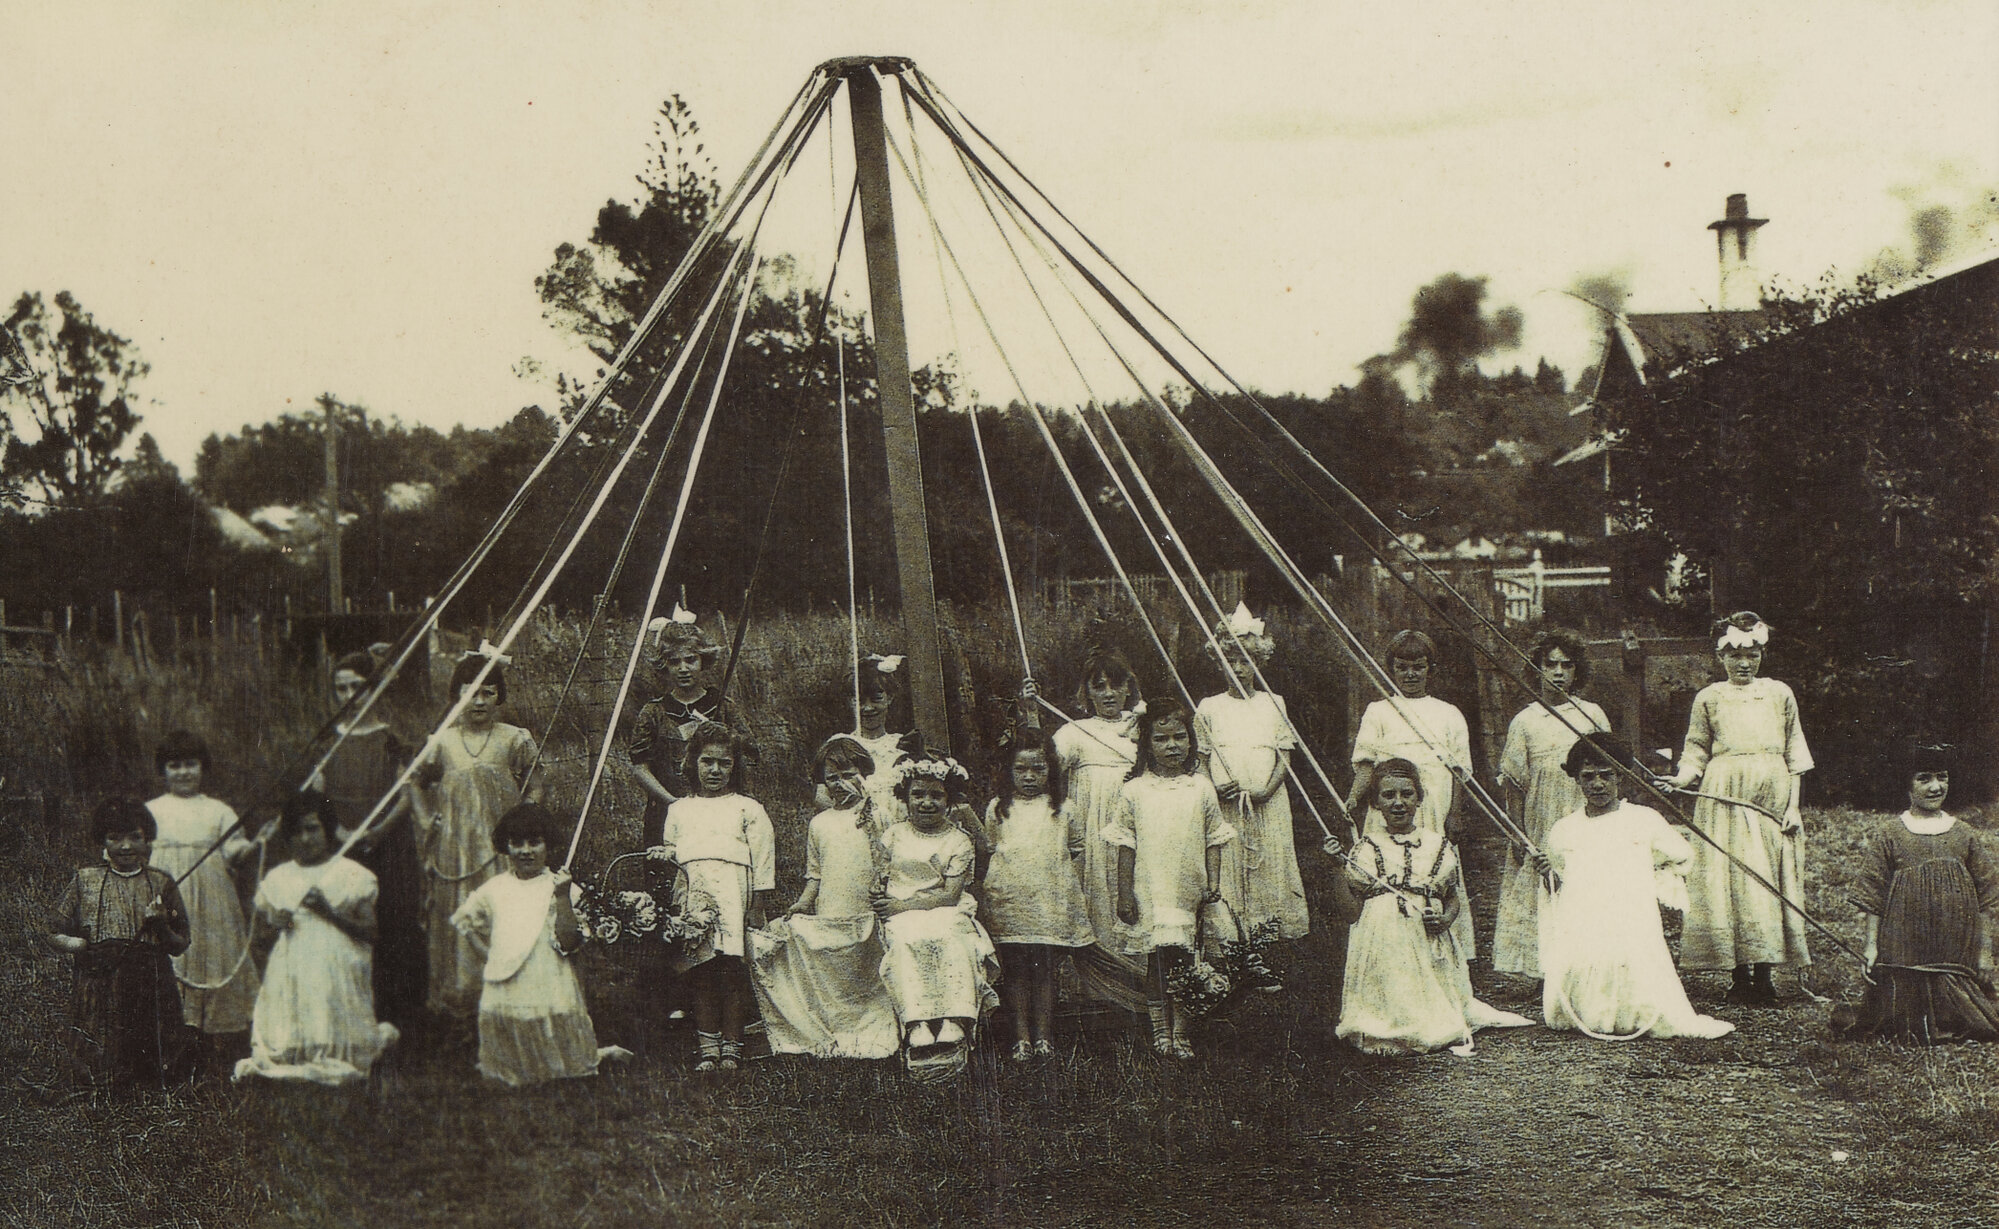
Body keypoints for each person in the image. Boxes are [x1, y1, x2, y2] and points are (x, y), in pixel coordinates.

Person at [1532, 737, 1734, 1041]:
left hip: (1630, 913)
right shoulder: (1565, 829)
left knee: (1633, 961)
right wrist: (1549, 874)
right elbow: (1560, 883)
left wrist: (1650, 881)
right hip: (1585, 917)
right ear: (1576, 780)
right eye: (1588, 777)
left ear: (1621, 776)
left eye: (1606, 775)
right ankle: (1591, 1010)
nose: (1597, 784)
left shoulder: (1643, 820)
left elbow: (1681, 856)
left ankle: (1633, 1011)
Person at [1664, 612, 1813, 1004]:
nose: (1744, 663)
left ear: (1762, 654)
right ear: (1720, 657)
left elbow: (1795, 753)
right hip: (1724, 796)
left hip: (1771, 798)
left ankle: (1765, 976)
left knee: (1765, 880)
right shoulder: (1709, 697)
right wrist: (1681, 779)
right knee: (1730, 880)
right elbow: (1696, 749)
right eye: (1734, 655)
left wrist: (1793, 807)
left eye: (1752, 654)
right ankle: (1739, 976)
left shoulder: (1779, 693)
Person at [1336, 760, 1530, 1056]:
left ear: (1419, 798)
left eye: (1407, 794)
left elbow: (1452, 898)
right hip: (1381, 941)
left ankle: (1424, 1021)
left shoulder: (1436, 845)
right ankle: (1385, 1024)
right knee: (1389, 990)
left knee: (1429, 1003)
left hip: (1425, 937)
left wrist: (1444, 919)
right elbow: (1351, 912)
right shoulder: (1366, 848)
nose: (1398, 803)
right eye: (1388, 795)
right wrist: (1335, 867)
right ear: (1375, 803)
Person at [1832, 742, 1999, 1043]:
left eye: (1942, 777)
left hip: (1955, 950)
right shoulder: (1891, 834)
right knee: (1896, 1019)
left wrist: (1985, 954)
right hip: (1905, 948)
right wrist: (1871, 947)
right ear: (1907, 785)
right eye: (1924, 778)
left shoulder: (1963, 834)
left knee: (1975, 1019)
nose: (1936, 787)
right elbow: (1873, 896)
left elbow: (1986, 897)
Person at [450, 803, 625, 1086]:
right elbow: (466, 921)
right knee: (508, 1051)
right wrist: (490, 956)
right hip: (506, 980)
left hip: (549, 978)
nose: (526, 851)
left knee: (556, 1047)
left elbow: (569, 942)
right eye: (517, 843)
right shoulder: (495, 889)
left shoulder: (561, 887)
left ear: (548, 845)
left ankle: (564, 1068)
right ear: (506, 846)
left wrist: (562, 896)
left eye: (534, 842)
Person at [748, 736, 899, 1059]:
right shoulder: (820, 823)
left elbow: (891, 862)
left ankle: (872, 1023)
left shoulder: (880, 815)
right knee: (836, 967)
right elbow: (815, 873)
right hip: (832, 904)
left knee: (868, 965)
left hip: (868, 906)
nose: (840, 784)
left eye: (848, 775)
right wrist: (804, 902)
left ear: (864, 774)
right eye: (832, 777)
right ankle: (840, 1025)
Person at [235, 791, 399, 1085]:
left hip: (338, 967)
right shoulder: (279, 877)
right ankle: (297, 1050)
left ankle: (338, 1048)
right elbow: (259, 939)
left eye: (312, 829)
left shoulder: (350, 874)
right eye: (296, 832)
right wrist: (277, 923)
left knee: (328, 996)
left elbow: (371, 932)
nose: (305, 839)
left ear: (327, 830)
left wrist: (329, 912)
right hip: (291, 967)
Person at [412, 652, 541, 1019]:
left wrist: (524, 819)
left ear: (499, 696)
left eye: (488, 693)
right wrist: (427, 820)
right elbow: (414, 782)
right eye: (470, 693)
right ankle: (463, 1001)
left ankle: (511, 993)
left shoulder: (514, 739)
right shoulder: (442, 742)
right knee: (461, 915)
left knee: (505, 911)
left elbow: (536, 785)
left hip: (502, 847)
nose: (479, 702)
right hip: (456, 848)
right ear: (457, 696)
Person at [1109, 698, 1236, 1060]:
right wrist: (1124, 894)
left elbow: (1213, 839)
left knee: (1185, 960)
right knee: (1157, 961)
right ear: (1147, 744)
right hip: (1151, 888)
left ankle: (1181, 1031)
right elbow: (1125, 845)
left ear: (1191, 741)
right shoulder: (1135, 790)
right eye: (1162, 739)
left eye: (1180, 737)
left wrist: (1213, 884)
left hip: (1187, 889)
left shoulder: (1201, 788)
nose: (1172, 746)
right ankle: (1160, 1031)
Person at [312, 650, 426, 1034]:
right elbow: (318, 795)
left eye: (357, 687)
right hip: (344, 846)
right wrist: (338, 832)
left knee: (392, 921)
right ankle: (352, 1011)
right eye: (341, 689)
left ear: (374, 689)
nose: (350, 696)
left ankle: (397, 1017)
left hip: (389, 845)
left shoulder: (392, 739)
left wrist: (379, 831)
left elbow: (407, 795)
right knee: (346, 920)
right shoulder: (329, 741)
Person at [46, 796, 193, 1090]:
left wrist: (161, 925)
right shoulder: (85, 880)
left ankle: (152, 1083)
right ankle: (99, 1084)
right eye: (115, 838)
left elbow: (180, 944)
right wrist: (79, 946)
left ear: (147, 839)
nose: (126, 847)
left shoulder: (161, 883)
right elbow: (52, 930)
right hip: (100, 980)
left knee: (152, 1060)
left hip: (151, 984)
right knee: (99, 1061)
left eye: (135, 837)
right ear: (102, 840)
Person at [1034, 648, 1150, 1009]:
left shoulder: (1143, 725)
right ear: (1087, 692)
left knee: (1140, 889)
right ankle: (1101, 987)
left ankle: (1147, 980)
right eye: (1099, 687)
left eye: (1116, 685)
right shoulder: (1075, 732)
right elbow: (1043, 765)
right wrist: (1029, 712)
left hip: (1141, 824)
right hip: (1096, 829)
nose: (1109, 694)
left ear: (1129, 688)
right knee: (1099, 890)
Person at [1347, 630, 1476, 956]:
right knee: (1389, 867)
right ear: (1391, 669)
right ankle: (1389, 945)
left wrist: (1455, 813)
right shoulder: (1379, 710)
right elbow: (1366, 764)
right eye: (1402, 667)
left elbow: (1459, 771)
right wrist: (1353, 797)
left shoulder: (1449, 713)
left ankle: (1443, 946)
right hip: (1391, 802)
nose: (1410, 674)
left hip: (1433, 803)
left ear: (1430, 668)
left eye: (1418, 667)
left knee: (1434, 867)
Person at [144, 730, 267, 1070]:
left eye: (191, 764)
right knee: (172, 953)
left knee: (212, 952)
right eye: (175, 766)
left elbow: (234, 852)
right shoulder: (151, 811)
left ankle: (215, 1036)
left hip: (213, 899)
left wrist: (254, 845)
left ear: (203, 767)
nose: (183, 772)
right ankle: (174, 1033)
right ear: (163, 770)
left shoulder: (218, 811)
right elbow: (137, 852)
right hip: (170, 894)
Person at [657, 722, 776, 1072]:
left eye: (724, 763)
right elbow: (672, 852)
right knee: (702, 970)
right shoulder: (679, 809)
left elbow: (763, 860)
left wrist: (756, 906)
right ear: (693, 762)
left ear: (734, 767)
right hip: (694, 896)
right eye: (707, 761)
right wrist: (665, 857)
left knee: (732, 971)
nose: (715, 770)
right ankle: (708, 1047)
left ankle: (732, 1047)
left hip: (734, 895)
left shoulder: (748, 808)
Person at [1493, 629, 1611, 979]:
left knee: (1586, 881)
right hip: (1543, 816)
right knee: (1545, 885)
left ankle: (1589, 965)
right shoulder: (1525, 720)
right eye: (1550, 665)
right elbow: (1514, 782)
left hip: (1583, 811)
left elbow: (1610, 769)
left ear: (1577, 671)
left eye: (1566, 665)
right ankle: (1546, 969)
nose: (1558, 673)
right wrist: (1517, 832)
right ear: (1538, 668)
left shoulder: (1591, 714)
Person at [1196, 603, 1309, 958]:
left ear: (1259, 663)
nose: (1239, 669)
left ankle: (1266, 946)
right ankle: (1229, 944)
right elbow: (1201, 760)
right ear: (1220, 665)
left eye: (1246, 661)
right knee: (1227, 866)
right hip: (1225, 807)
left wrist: (1266, 790)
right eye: (1231, 662)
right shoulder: (1209, 706)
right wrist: (1213, 789)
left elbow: (1284, 756)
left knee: (1268, 866)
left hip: (1267, 804)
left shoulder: (1274, 703)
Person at [872, 755, 999, 1070]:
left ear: (949, 800)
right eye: (918, 794)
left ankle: (954, 1019)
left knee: (952, 938)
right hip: (901, 911)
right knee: (905, 941)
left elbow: (950, 895)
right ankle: (917, 1022)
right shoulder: (893, 835)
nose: (926, 802)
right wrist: (881, 896)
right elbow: (881, 879)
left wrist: (903, 905)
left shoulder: (958, 840)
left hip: (944, 907)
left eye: (936, 795)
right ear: (905, 798)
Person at [980, 730, 1094, 1059]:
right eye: (1021, 769)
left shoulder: (1064, 809)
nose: (1029, 777)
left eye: (1038, 769)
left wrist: (1050, 876)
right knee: (1016, 970)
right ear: (1009, 771)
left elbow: (1074, 847)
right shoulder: (999, 809)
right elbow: (993, 846)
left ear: (1051, 770)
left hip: (1048, 902)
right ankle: (1021, 1037)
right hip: (1012, 901)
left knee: (1044, 969)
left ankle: (1044, 1036)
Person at [627, 608, 753, 850]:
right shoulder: (653, 712)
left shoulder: (722, 706)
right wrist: (673, 803)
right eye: (674, 662)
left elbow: (751, 751)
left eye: (690, 660)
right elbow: (639, 767)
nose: (683, 668)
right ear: (664, 666)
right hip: (667, 810)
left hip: (719, 810)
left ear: (703, 660)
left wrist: (722, 733)